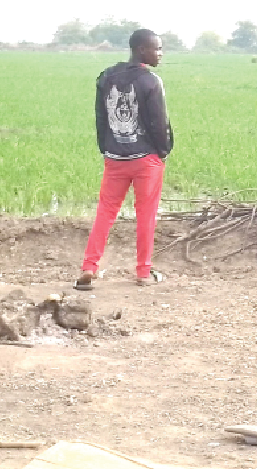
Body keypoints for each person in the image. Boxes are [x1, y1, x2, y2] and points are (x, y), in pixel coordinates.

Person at [75, 29, 173, 290]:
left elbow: (100, 117)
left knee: (105, 212)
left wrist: (106, 148)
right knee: (146, 214)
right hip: (146, 159)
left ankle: (89, 267)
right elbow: (159, 122)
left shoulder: (106, 77)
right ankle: (143, 272)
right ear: (142, 49)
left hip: (114, 156)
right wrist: (163, 151)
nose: (160, 54)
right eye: (157, 48)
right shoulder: (151, 81)